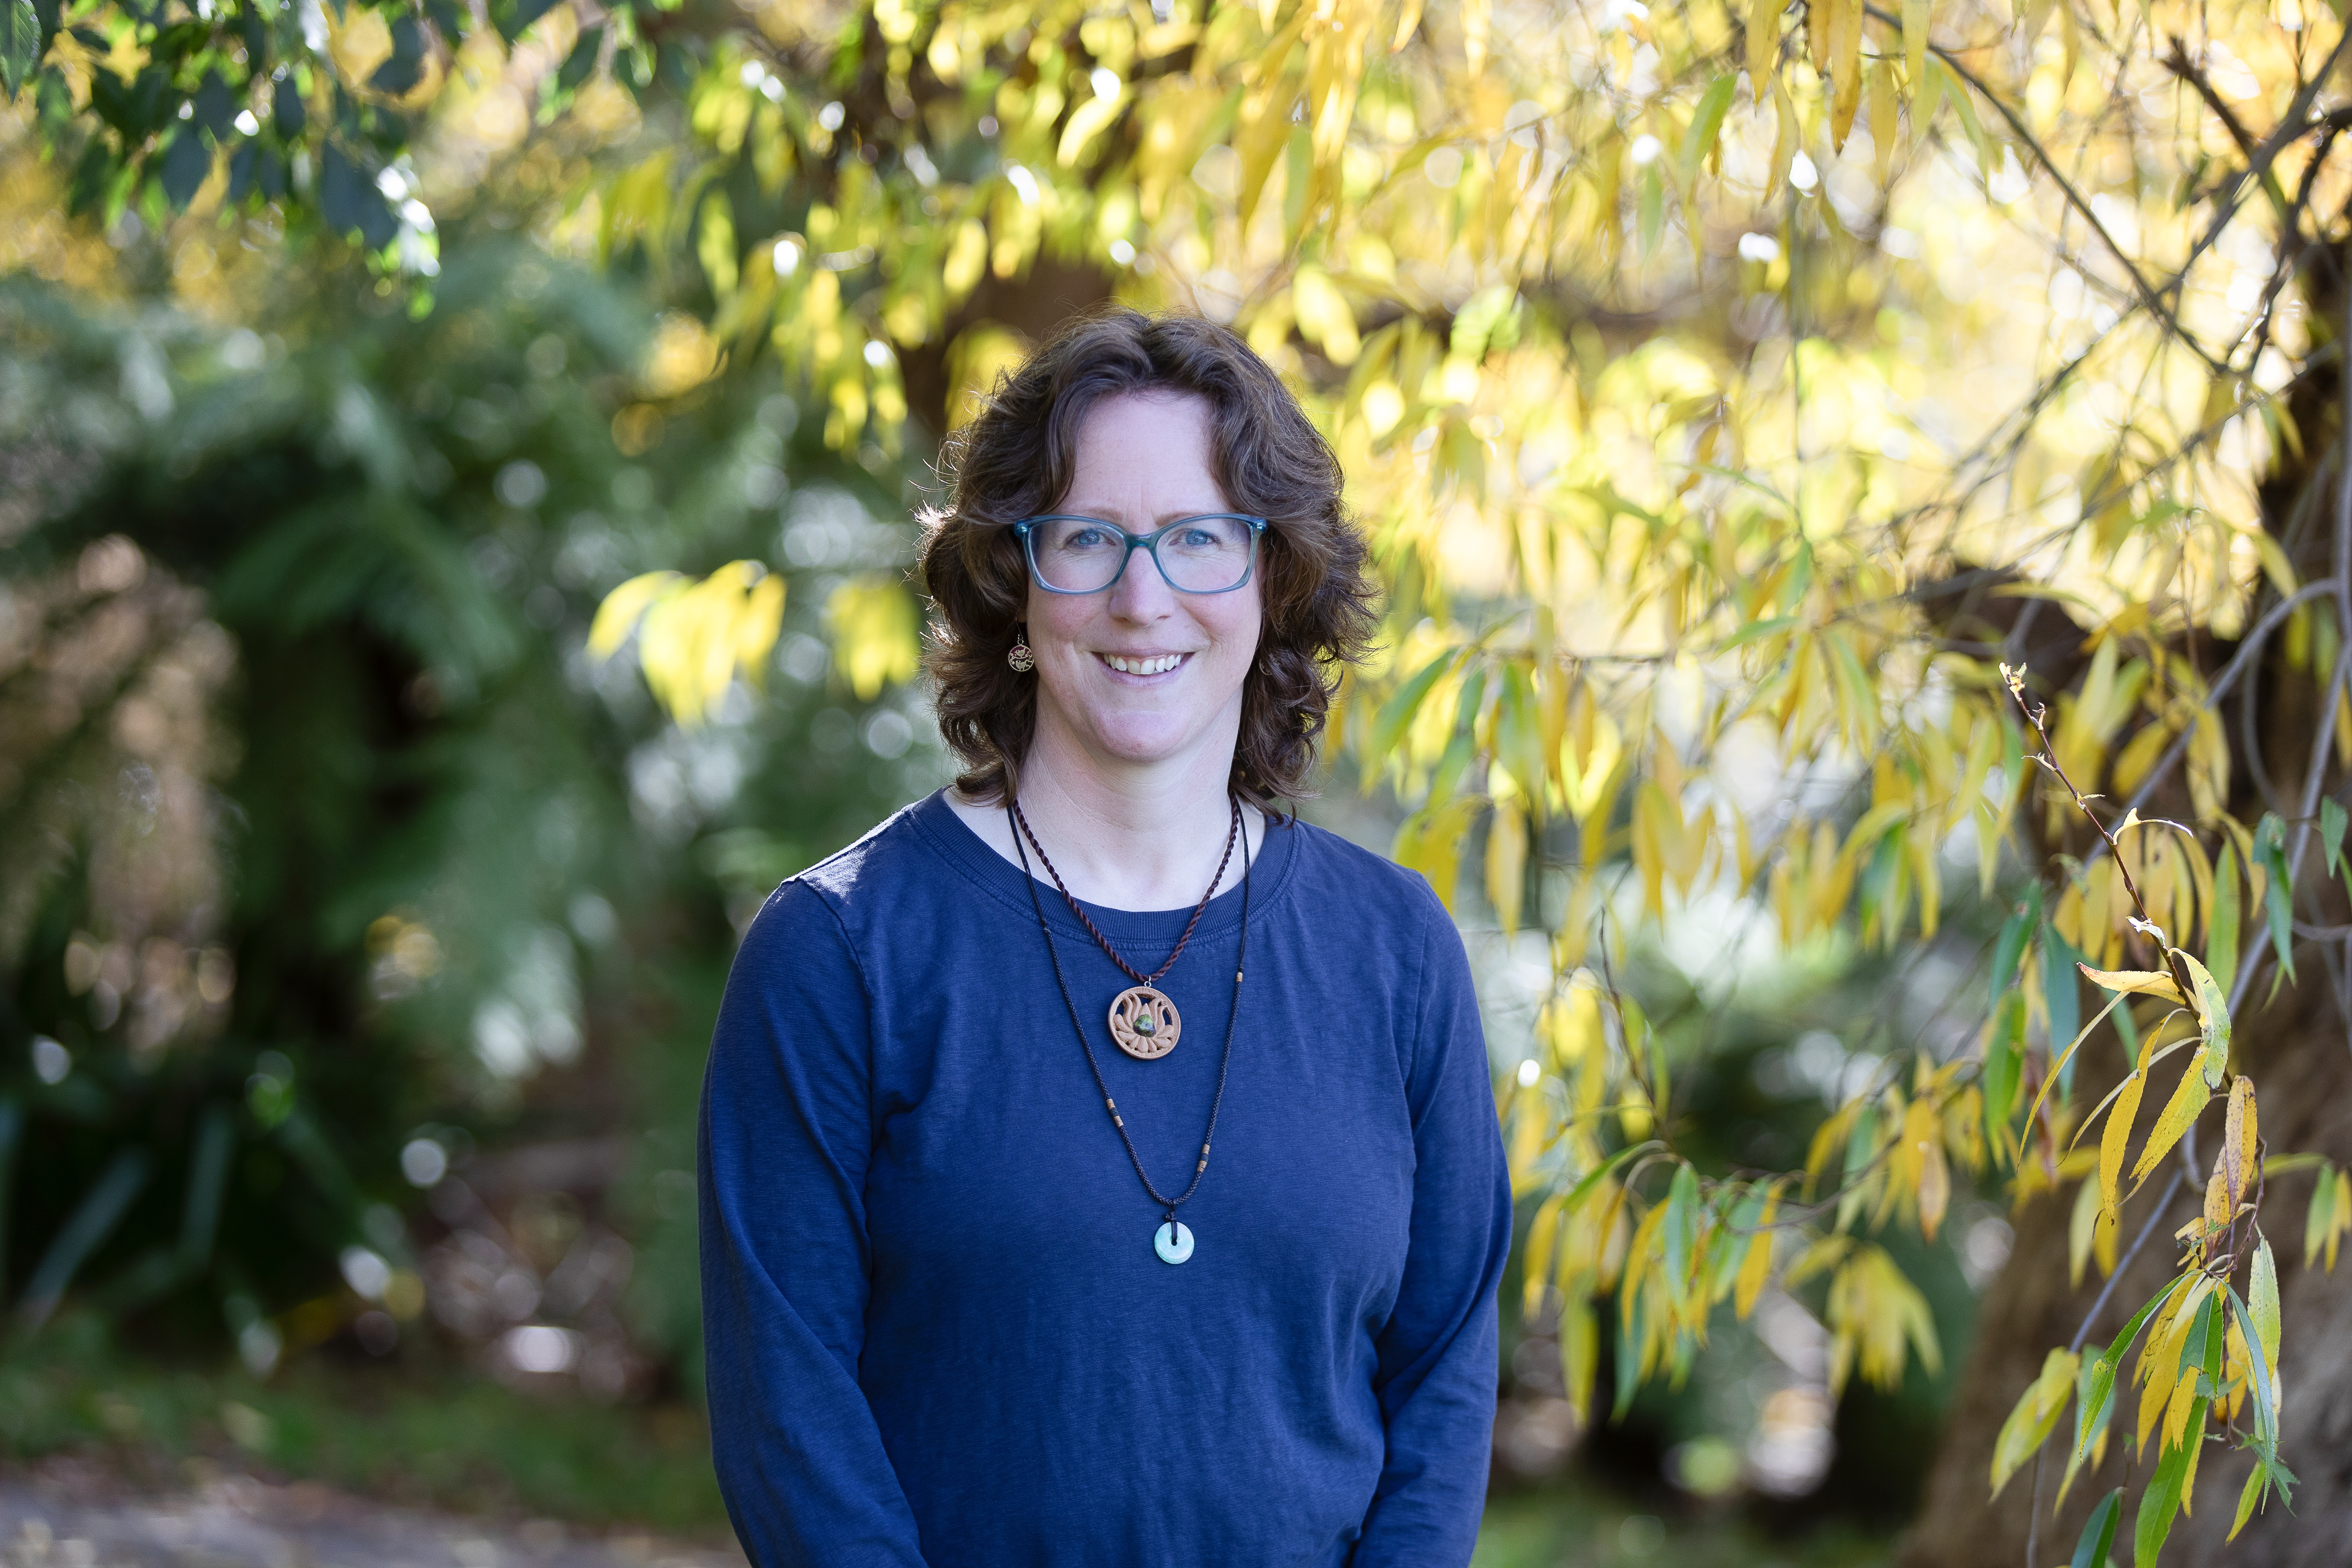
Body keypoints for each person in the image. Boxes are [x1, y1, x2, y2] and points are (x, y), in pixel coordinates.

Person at [698, 307, 1512, 1567]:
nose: (1145, 599)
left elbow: (1445, 1383)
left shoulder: (1396, 953)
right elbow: (787, 1416)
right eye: (1088, 540)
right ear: (1013, 586)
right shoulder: (841, 954)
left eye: (1198, 539)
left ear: (1272, 580)